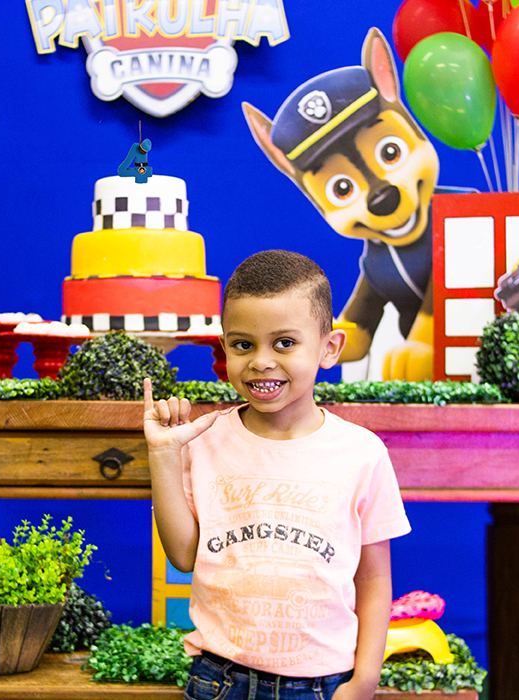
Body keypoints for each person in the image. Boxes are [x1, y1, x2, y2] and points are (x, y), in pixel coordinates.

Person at [143, 249, 412, 700]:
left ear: (330, 348)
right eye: (242, 344)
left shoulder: (362, 453)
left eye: (284, 343)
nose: (261, 361)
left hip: (321, 686)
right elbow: (184, 556)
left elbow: (373, 580)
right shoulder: (204, 441)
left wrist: (365, 680)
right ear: (224, 346)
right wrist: (163, 454)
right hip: (219, 681)